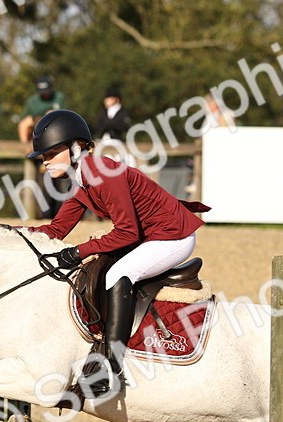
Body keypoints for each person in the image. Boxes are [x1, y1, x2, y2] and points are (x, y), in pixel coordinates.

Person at [25, 109, 210, 398]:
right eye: (43, 156)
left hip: (174, 236)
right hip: (152, 235)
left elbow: (127, 233)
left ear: (76, 148)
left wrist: (79, 251)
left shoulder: (101, 174)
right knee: (101, 263)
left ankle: (110, 365)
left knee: (118, 272)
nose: (44, 162)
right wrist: (11, 232)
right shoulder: (84, 180)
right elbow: (56, 229)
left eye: (51, 154)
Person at [17, 77, 66, 144]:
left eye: (46, 91)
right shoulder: (32, 101)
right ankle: (25, 147)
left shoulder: (60, 97)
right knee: (24, 123)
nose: (44, 94)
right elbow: (24, 119)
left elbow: (66, 115)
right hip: (36, 123)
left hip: (55, 124)